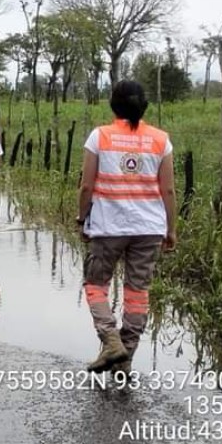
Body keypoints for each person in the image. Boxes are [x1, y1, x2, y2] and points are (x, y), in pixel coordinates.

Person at [77, 80, 177, 375]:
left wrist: (82, 219)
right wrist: (171, 229)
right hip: (149, 228)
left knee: (95, 285)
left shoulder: (100, 136)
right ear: (143, 105)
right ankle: (126, 356)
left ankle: (110, 341)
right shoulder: (161, 140)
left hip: (109, 227)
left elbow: (86, 185)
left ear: (113, 104)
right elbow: (168, 190)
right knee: (137, 291)